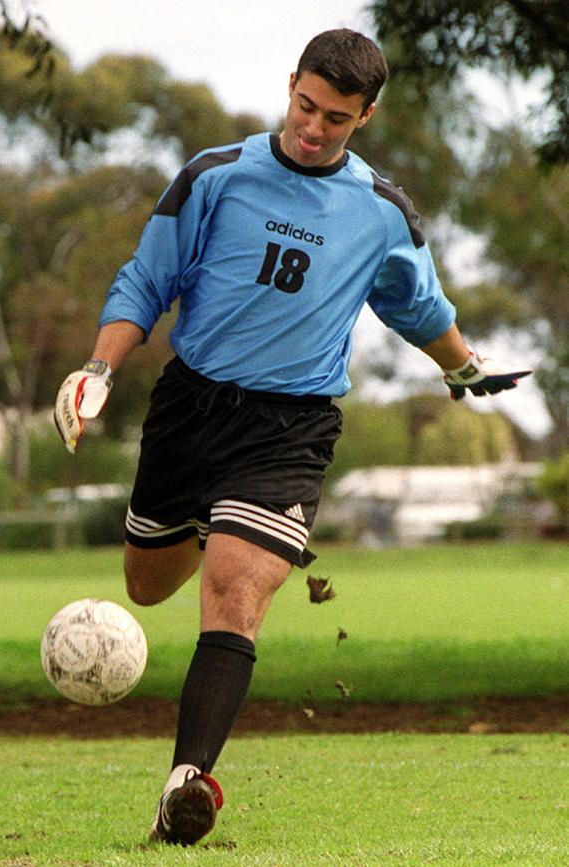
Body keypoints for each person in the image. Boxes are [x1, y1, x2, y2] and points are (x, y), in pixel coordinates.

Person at [54, 29, 530, 846]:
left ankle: (185, 785)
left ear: (366, 116)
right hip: (192, 409)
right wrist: (98, 368)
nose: (314, 128)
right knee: (146, 584)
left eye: (336, 119)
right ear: (290, 86)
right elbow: (147, 278)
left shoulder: (381, 211)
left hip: (292, 425)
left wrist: (464, 367)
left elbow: (418, 305)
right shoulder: (215, 175)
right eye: (306, 106)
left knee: (235, 594)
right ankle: (219, 521)